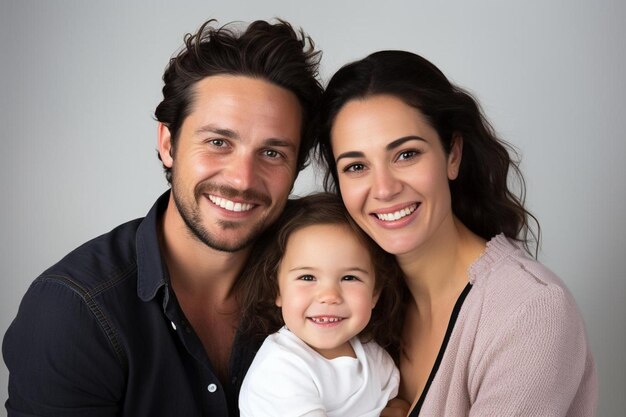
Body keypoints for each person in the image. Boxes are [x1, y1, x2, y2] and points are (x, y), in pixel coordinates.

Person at [2, 18, 322, 417]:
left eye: (272, 153)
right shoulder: (74, 312)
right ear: (168, 144)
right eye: (218, 142)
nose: (242, 179)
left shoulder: (323, 276)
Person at [316, 50, 597, 416]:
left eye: (406, 155)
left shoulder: (531, 312)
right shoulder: (356, 299)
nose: (383, 189)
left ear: (452, 155)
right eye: (356, 166)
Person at [237, 192, 405, 417]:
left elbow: (401, 407)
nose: (329, 295)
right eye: (307, 278)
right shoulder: (280, 370)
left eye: (349, 278)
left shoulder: (372, 354)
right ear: (277, 290)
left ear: (374, 293)